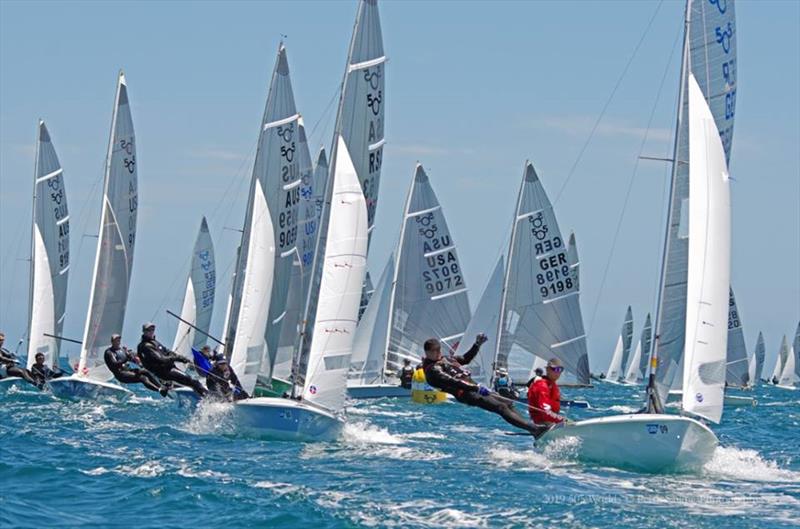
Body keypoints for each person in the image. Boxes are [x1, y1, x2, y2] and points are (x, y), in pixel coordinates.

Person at [422, 334, 548, 437]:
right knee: (500, 407)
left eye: (439, 349)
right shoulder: (432, 370)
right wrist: (476, 388)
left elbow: (465, 359)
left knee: (508, 403)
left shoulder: (445, 359)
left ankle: (531, 427)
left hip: (474, 387)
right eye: (434, 351)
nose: (438, 352)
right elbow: (453, 382)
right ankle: (534, 429)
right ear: (427, 352)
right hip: (466, 394)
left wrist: (477, 345)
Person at [137, 323, 207, 397]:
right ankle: (208, 398)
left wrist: (180, 357)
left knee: (191, 382)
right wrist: (177, 358)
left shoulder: (154, 342)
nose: (151, 331)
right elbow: (161, 359)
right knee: (192, 381)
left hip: (168, 370)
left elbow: (167, 351)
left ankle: (201, 395)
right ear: (144, 331)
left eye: (152, 329)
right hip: (165, 372)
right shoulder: (146, 346)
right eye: (148, 330)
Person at [104, 334, 170, 397]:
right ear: (112, 342)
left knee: (145, 372)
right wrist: (126, 358)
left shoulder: (121, 350)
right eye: (116, 340)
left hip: (128, 371)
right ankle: (159, 390)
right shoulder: (109, 352)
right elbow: (115, 364)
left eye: (119, 340)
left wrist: (134, 358)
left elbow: (130, 358)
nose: (118, 342)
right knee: (142, 378)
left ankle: (161, 386)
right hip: (121, 375)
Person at [527, 358, 565, 426]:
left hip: (551, 423)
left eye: (560, 370)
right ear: (548, 370)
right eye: (555, 369)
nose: (558, 372)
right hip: (541, 425)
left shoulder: (552, 385)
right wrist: (562, 420)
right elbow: (546, 412)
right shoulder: (541, 385)